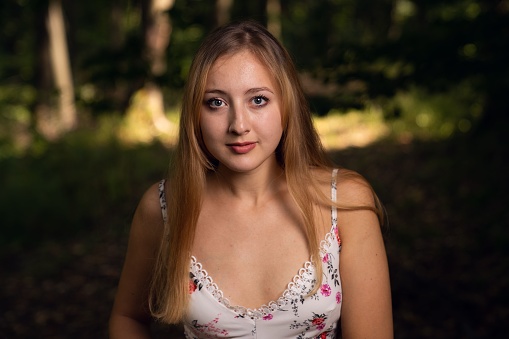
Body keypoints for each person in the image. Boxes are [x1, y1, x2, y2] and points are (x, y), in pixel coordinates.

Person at [109, 20, 393, 339]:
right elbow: (127, 317)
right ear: (194, 113)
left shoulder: (344, 202)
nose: (238, 125)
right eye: (216, 102)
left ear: (286, 104)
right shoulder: (165, 208)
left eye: (258, 99)